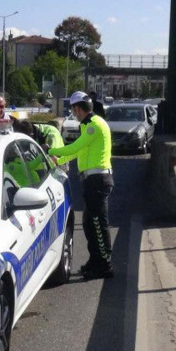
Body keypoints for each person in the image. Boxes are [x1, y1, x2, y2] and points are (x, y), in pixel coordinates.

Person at [46, 91, 113, 279]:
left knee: (98, 224)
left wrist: (49, 149)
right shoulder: (88, 126)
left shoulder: (93, 126)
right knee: (89, 224)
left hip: (98, 180)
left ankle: (105, 265)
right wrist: (58, 160)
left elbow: (74, 147)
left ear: (78, 108)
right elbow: (78, 152)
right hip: (92, 180)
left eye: (74, 110)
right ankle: (95, 261)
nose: (73, 114)